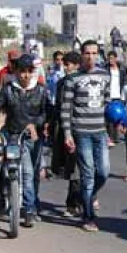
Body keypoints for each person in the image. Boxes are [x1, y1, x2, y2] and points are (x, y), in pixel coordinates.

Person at [0, 54, 49, 228]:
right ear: (16, 72)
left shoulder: (41, 90)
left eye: (29, 71)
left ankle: (32, 207)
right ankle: (26, 209)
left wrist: (35, 125)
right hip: (12, 135)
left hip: (33, 138)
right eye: (22, 71)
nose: (25, 76)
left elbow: (46, 112)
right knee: (17, 170)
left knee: (32, 174)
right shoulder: (8, 89)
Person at [61, 40, 111, 232]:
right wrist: (67, 134)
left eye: (94, 53)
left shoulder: (105, 75)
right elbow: (66, 109)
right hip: (81, 132)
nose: (90, 56)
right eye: (87, 53)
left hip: (100, 131)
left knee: (104, 172)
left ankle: (87, 197)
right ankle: (88, 216)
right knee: (88, 174)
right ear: (81, 55)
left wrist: (114, 125)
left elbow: (106, 102)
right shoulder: (72, 78)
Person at [51, 51, 82, 216]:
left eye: (68, 64)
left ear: (76, 66)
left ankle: (81, 200)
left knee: (82, 167)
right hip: (65, 129)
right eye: (65, 64)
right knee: (72, 168)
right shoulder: (61, 83)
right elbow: (58, 106)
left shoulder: (82, 83)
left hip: (80, 128)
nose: (66, 67)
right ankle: (73, 202)